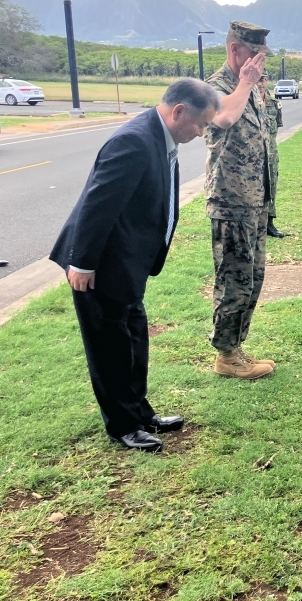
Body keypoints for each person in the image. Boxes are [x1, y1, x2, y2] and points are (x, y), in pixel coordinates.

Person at [50, 79, 220, 452]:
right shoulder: (135, 141)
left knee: (133, 339)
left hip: (127, 263)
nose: (202, 132)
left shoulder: (160, 138)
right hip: (99, 265)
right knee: (109, 346)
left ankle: (140, 412)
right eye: (201, 124)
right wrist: (82, 262)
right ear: (179, 112)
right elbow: (98, 206)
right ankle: (123, 425)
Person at [204, 21, 277, 380]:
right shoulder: (215, 89)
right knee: (233, 281)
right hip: (231, 203)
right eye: (254, 55)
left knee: (253, 279)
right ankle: (226, 356)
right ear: (235, 50)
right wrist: (247, 82)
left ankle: (237, 349)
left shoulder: (256, 90)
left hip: (257, 202)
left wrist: (257, 86)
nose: (260, 63)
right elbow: (225, 117)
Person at [259, 74, 287, 238]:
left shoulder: (274, 104)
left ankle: (269, 223)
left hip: (271, 153)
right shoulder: (247, 104)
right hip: (253, 156)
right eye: (257, 79)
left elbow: (275, 131)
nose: (260, 83)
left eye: (263, 79)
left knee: (271, 188)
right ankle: (256, 225)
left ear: (267, 81)